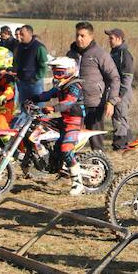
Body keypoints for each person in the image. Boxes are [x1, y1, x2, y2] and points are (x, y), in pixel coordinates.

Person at [29, 56, 86, 196]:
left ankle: (78, 183)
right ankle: (45, 161)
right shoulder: (60, 85)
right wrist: (32, 99)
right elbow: (47, 95)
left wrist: (53, 108)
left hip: (74, 121)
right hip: (63, 119)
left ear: (70, 72)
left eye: (59, 73)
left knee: (66, 149)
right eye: (54, 72)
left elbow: (68, 102)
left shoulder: (74, 85)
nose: (56, 76)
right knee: (36, 127)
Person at [66, 21, 120, 151]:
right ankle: (71, 168)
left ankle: (100, 166)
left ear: (91, 36)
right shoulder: (70, 55)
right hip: (73, 104)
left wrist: (111, 102)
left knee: (96, 143)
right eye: (77, 35)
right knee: (70, 140)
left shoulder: (100, 54)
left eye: (82, 36)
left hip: (94, 104)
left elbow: (114, 78)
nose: (79, 39)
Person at [106, 28, 134, 150]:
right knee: (118, 117)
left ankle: (120, 144)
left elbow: (127, 78)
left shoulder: (125, 54)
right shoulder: (114, 52)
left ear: (118, 38)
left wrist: (119, 95)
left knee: (119, 116)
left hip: (122, 92)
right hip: (115, 90)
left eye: (111, 38)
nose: (109, 40)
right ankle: (127, 142)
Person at [13, 25, 48, 110]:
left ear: (29, 34)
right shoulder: (19, 47)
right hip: (22, 83)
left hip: (35, 84)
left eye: (22, 34)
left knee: (38, 109)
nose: (20, 37)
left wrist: (35, 78)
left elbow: (43, 66)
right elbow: (15, 62)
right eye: (19, 34)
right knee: (24, 109)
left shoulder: (39, 47)